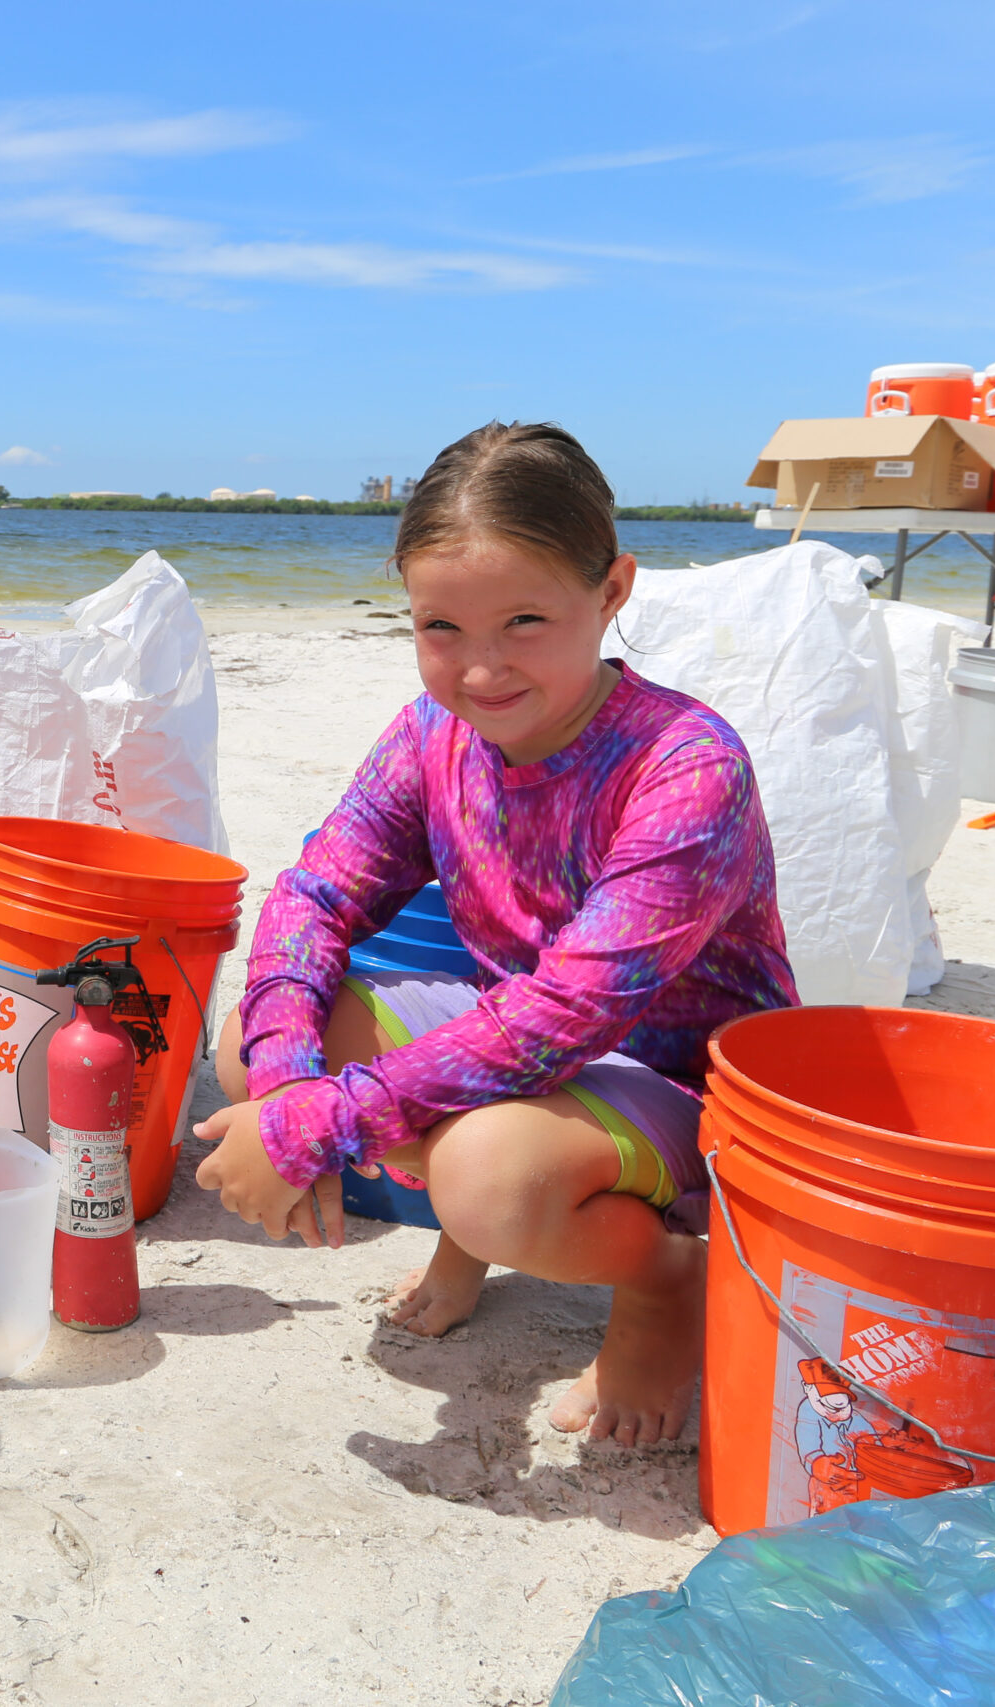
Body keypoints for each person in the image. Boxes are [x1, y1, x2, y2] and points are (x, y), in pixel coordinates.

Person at [194, 421, 799, 1447]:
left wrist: (315, 1134)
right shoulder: (435, 734)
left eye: (524, 620)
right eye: (440, 628)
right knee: (250, 1048)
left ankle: (665, 1278)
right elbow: (314, 897)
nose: (480, 672)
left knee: (485, 1178)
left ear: (610, 592)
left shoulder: (684, 767)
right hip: (515, 1038)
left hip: (682, 1082)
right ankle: (472, 1240)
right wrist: (293, 1086)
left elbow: (568, 1011)